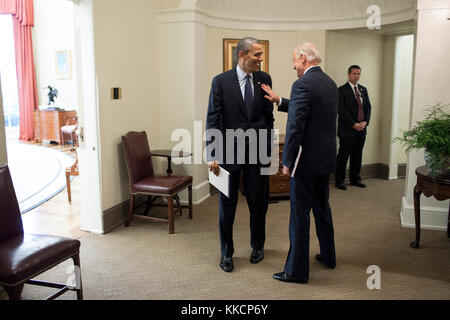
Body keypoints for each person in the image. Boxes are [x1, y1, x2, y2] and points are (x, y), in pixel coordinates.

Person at [261, 43, 337, 283]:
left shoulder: (302, 83)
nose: (293, 65)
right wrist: (280, 100)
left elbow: (296, 127)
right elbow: (309, 111)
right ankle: (328, 256)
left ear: (303, 58)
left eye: (294, 61)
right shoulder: (330, 83)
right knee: (322, 209)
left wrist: (288, 160)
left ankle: (296, 271)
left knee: (299, 216)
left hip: (304, 163)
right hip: (324, 160)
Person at [206, 37, 274, 273]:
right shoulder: (220, 82)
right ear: (242, 55)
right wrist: (212, 153)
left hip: (257, 152)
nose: (260, 59)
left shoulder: (264, 79)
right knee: (228, 205)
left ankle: (258, 246)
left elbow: (268, 117)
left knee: (258, 203)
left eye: (261, 54)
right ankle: (226, 253)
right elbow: (213, 118)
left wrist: (268, 148)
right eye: (257, 54)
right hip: (228, 153)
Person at [335, 65, 372, 190]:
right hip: (347, 129)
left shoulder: (363, 90)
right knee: (343, 156)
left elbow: (368, 107)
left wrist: (365, 122)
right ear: (349, 74)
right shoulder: (341, 90)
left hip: (361, 129)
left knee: (357, 155)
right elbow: (341, 110)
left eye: (358, 74)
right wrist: (353, 124)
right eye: (354, 74)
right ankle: (339, 181)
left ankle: (355, 179)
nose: (356, 76)